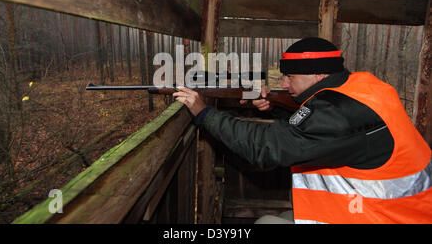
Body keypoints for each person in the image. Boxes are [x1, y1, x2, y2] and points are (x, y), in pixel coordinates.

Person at [173, 37, 432, 224]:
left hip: (383, 217)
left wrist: (204, 113)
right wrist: (274, 108)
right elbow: (324, 130)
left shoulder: (339, 113)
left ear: (318, 75)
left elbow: (264, 148)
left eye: (290, 77)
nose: (284, 85)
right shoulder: (361, 87)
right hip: (393, 210)